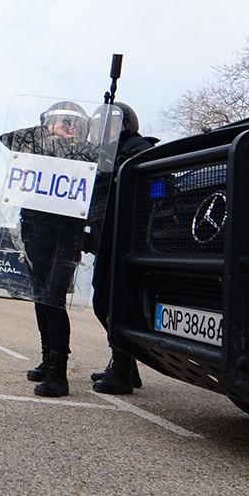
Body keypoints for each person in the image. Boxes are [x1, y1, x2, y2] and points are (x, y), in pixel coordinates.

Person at [1, 102, 94, 398]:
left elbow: (101, 161)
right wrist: (47, 133)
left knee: (53, 299)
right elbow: (8, 139)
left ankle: (59, 371)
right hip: (35, 230)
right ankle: (47, 357)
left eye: (72, 125)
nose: (65, 129)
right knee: (40, 298)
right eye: (59, 122)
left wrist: (68, 138)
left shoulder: (84, 153)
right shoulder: (36, 145)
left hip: (64, 235)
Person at [89, 102, 158, 395]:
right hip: (108, 239)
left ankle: (122, 369)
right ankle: (127, 364)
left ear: (125, 124)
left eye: (110, 123)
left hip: (128, 241)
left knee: (114, 303)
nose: (103, 130)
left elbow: (155, 190)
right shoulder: (105, 154)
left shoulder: (139, 149)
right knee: (101, 302)